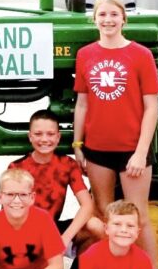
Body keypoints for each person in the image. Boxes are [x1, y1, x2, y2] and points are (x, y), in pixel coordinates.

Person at [73, 0, 158, 263]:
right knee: (104, 216)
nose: (108, 20)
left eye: (114, 14)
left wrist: (140, 152)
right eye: (102, 14)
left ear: (123, 18)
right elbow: (82, 105)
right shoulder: (85, 54)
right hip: (98, 149)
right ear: (94, 19)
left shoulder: (140, 55)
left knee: (138, 217)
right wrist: (78, 145)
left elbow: (152, 107)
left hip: (132, 150)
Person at [9, 109, 104, 255]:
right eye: (38, 134)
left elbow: (87, 205)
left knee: (95, 225)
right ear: (30, 136)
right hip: (26, 230)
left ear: (58, 137)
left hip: (54, 228)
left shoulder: (67, 164)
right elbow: (10, 210)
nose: (44, 139)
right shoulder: (17, 167)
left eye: (50, 134)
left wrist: (65, 238)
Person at [76, 200, 156, 269]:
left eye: (130, 226)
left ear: (137, 232)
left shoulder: (142, 258)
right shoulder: (91, 255)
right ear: (106, 228)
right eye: (117, 224)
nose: (124, 230)